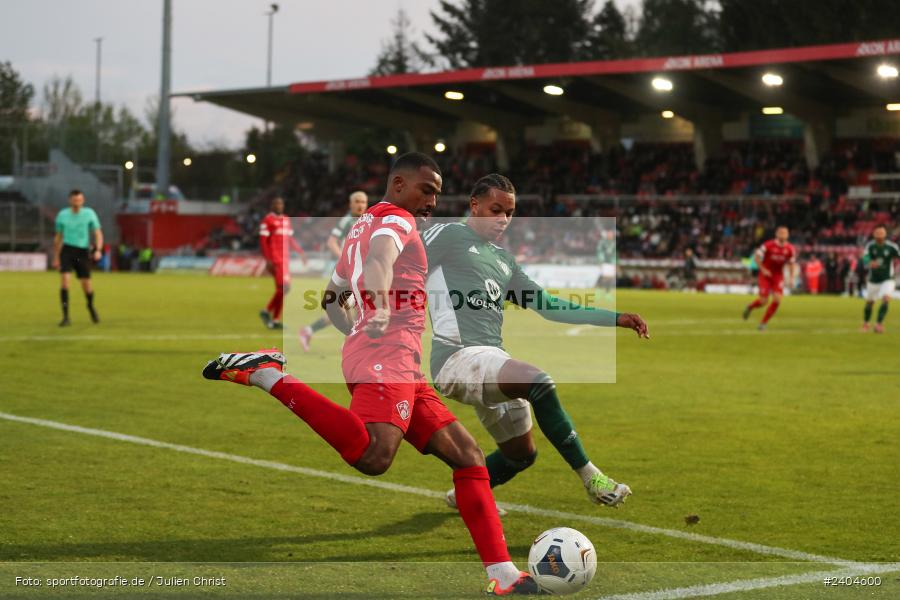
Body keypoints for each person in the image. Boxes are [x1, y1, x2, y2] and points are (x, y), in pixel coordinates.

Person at [202, 154, 538, 595]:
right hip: (388, 352)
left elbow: (329, 298)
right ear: (398, 184)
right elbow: (381, 260)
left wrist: (358, 327)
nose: (433, 201)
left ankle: (503, 574)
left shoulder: (361, 227)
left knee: (468, 456)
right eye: (427, 189)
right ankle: (268, 375)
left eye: (437, 192)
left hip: (392, 357)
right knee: (375, 456)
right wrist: (379, 308)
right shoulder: (397, 221)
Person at [422, 174, 648, 514]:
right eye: (495, 210)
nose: (503, 219)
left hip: (489, 359)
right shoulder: (450, 234)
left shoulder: (503, 261)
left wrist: (614, 317)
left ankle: (467, 494)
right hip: (455, 357)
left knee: (521, 455)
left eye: (509, 213)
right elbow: (400, 258)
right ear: (475, 205)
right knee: (538, 383)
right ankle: (591, 478)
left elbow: (550, 306)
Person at [298, 190, 368, 351]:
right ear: (351, 204)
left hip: (358, 271)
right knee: (353, 307)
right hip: (348, 272)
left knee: (347, 308)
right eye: (357, 201)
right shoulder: (347, 221)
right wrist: (345, 259)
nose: (360, 205)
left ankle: (309, 331)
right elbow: (331, 242)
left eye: (363, 202)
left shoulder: (365, 221)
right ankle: (352, 342)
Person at [52, 189, 103, 326]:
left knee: (86, 285)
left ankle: (90, 306)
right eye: (75, 200)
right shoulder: (62, 215)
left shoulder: (89, 214)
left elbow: (97, 233)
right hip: (67, 251)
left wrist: (98, 249)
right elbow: (58, 238)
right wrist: (56, 257)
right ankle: (66, 316)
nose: (77, 202)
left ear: (83, 200)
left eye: (79, 200)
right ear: (70, 200)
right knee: (64, 283)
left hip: (82, 252)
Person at [259, 196, 306, 329]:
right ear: (272, 206)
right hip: (275, 259)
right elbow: (263, 241)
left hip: (285, 260)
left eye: (281, 204)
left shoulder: (286, 219)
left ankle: (275, 319)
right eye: (276, 204)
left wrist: (300, 252)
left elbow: (290, 240)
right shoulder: (268, 220)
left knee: (282, 289)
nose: (279, 206)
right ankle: (267, 311)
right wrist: (268, 259)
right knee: (285, 287)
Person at [742, 226, 797, 331]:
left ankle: (763, 323)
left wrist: (791, 278)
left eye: (785, 233)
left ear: (788, 235)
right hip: (765, 275)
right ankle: (750, 307)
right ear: (776, 234)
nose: (783, 235)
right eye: (781, 233)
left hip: (778, 275)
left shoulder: (790, 249)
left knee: (777, 300)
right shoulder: (768, 245)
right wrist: (763, 269)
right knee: (763, 301)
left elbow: (792, 264)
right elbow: (756, 257)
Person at [860, 225, 899, 333]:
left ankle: (878, 324)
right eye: (878, 234)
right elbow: (865, 257)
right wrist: (869, 262)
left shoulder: (892, 247)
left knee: (886, 299)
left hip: (887, 279)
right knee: (870, 303)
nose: (880, 236)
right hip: (874, 280)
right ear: (874, 235)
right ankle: (866, 323)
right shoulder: (871, 246)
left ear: (885, 234)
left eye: (882, 233)